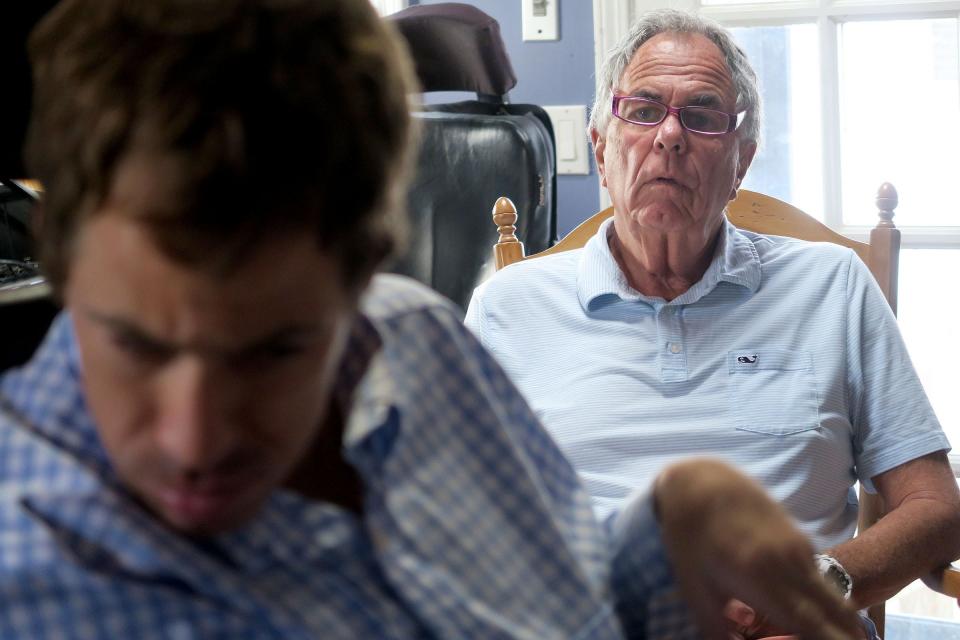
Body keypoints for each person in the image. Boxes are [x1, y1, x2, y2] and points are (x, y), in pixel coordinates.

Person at [0, 1, 864, 639]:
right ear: (61, 254)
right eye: (135, 342)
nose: (195, 436)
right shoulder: (39, 582)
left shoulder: (412, 339)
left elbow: (566, 601)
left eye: (277, 349)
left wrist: (667, 525)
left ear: (365, 268)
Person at [466, 6, 960, 629]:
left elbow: (935, 507)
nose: (669, 136)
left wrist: (816, 585)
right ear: (601, 149)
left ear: (742, 162)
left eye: (701, 117)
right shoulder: (509, 309)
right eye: (643, 111)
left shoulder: (833, 287)